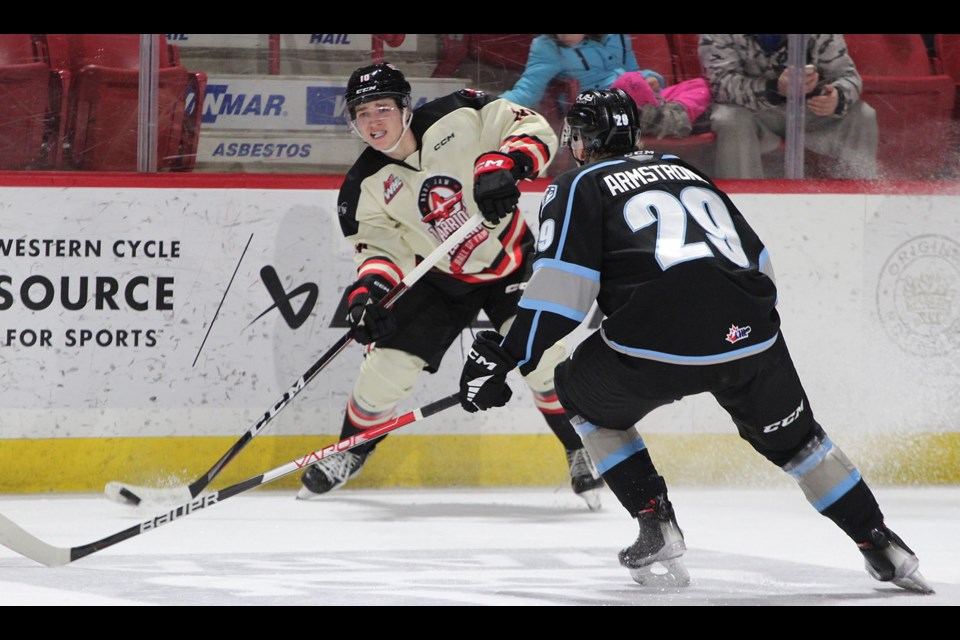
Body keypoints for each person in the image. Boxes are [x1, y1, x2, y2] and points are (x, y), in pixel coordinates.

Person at [457, 87, 933, 592]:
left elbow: (561, 294)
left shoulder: (578, 184)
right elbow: (760, 264)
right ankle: (879, 540)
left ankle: (654, 523)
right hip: (751, 333)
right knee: (799, 442)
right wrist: (736, 331)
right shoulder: (687, 171)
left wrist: (507, 356)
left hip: (658, 337)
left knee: (578, 393)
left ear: (581, 140)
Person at [298, 62, 605, 509]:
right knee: (385, 370)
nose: (373, 122)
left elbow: (531, 126)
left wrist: (509, 161)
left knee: (544, 364)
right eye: (362, 114)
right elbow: (380, 253)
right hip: (438, 279)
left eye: (382, 108)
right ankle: (352, 449)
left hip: (512, 263)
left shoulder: (459, 112)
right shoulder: (361, 188)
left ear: (406, 107)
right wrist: (369, 296)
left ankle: (580, 447)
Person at [699, 34, 878, 179]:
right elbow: (720, 85)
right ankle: (740, 208)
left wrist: (837, 97)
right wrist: (774, 88)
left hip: (808, 112)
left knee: (862, 115)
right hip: (752, 114)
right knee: (729, 119)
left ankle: (857, 201)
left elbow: (848, 76)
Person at [501, 34, 710, 140]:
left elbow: (633, 70)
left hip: (640, 96)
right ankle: (669, 119)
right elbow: (527, 90)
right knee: (630, 83)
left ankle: (662, 118)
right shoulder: (547, 47)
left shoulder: (616, 36)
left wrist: (651, 78)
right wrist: (489, 104)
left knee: (701, 85)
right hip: (601, 110)